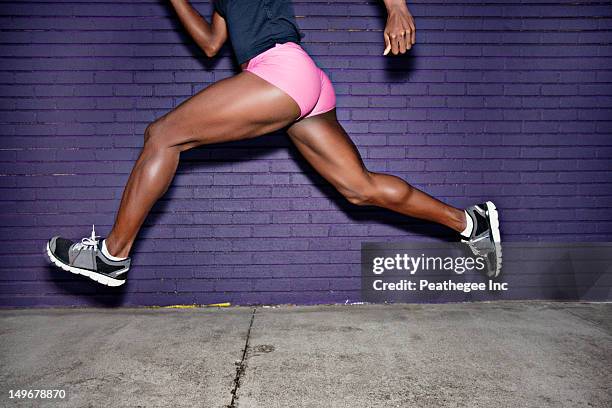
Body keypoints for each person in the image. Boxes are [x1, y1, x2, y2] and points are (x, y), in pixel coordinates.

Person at [45, 0, 501, 287]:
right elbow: (210, 44)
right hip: (305, 81)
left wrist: (396, 5)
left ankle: (112, 255)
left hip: (281, 69)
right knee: (358, 189)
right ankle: (469, 224)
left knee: (162, 136)